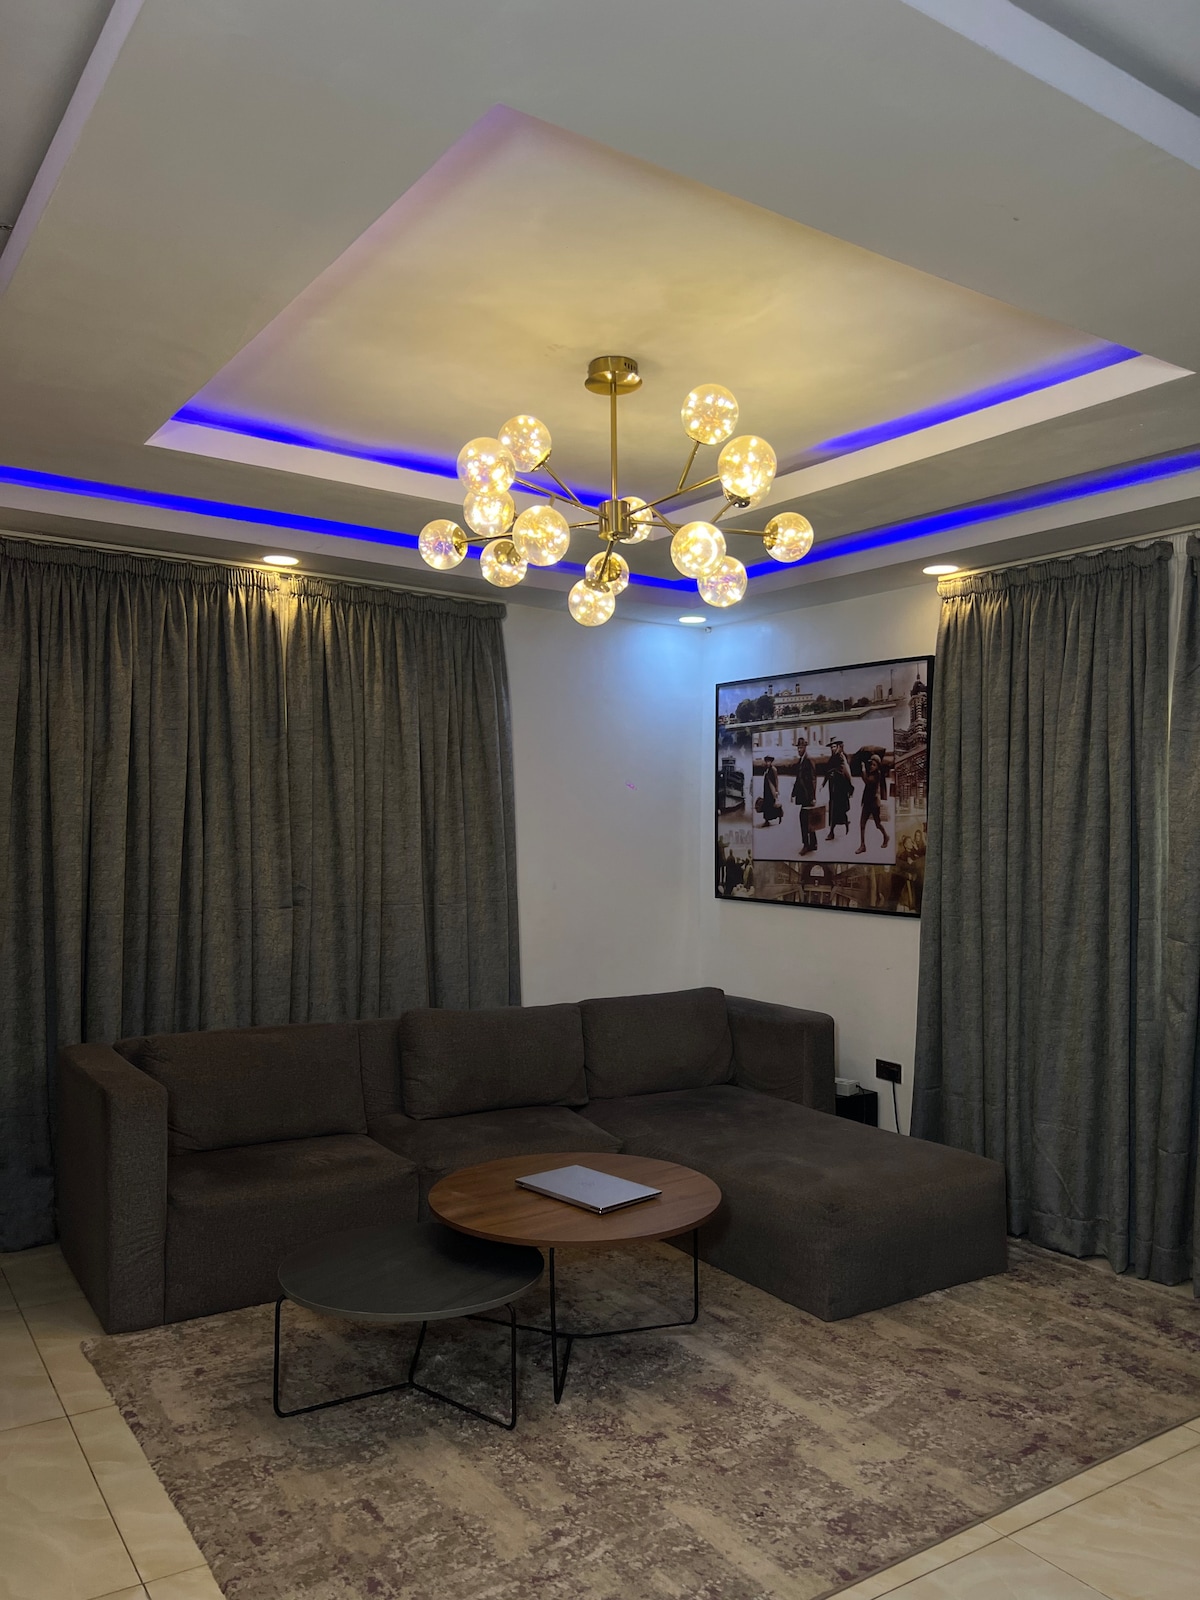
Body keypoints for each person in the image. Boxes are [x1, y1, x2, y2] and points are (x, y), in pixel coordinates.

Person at [856, 754, 890, 854]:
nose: (872, 766)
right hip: (867, 803)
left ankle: (886, 836)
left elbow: (867, 781)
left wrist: (863, 769)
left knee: (878, 824)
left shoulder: (877, 774)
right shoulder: (871, 773)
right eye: (871, 764)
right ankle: (862, 846)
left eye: (874, 765)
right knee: (862, 824)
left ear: (878, 766)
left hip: (874, 804)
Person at [790, 736, 817, 854]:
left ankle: (806, 845)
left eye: (801, 748)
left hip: (808, 796)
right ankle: (813, 843)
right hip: (803, 796)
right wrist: (793, 794)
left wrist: (813, 797)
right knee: (809, 819)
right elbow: (798, 779)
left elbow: (813, 780)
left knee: (804, 819)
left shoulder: (809, 760)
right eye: (798, 748)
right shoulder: (801, 761)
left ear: (805, 748)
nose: (799, 750)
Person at [823, 737, 853, 841]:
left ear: (838, 747)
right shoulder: (832, 758)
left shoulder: (841, 757)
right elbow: (828, 771)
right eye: (831, 747)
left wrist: (834, 773)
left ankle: (841, 828)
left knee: (839, 810)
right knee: (834, 810)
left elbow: (844, 771)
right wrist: (823, 783)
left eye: (834, 747)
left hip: (841, 788)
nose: (832, 749)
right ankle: (832, 831)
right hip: (833, 788)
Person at [760, 754, 782, 824]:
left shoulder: (773, 769)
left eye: (769, 761)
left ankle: (779, 815)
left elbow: (776, 780)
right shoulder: (766, 769)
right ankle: (766, 820)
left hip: (771, 790)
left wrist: (776, 790)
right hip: (767, 790)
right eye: (766, 761)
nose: (767, 763)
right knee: (766, 805)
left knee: (773, 804)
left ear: (771, 762)